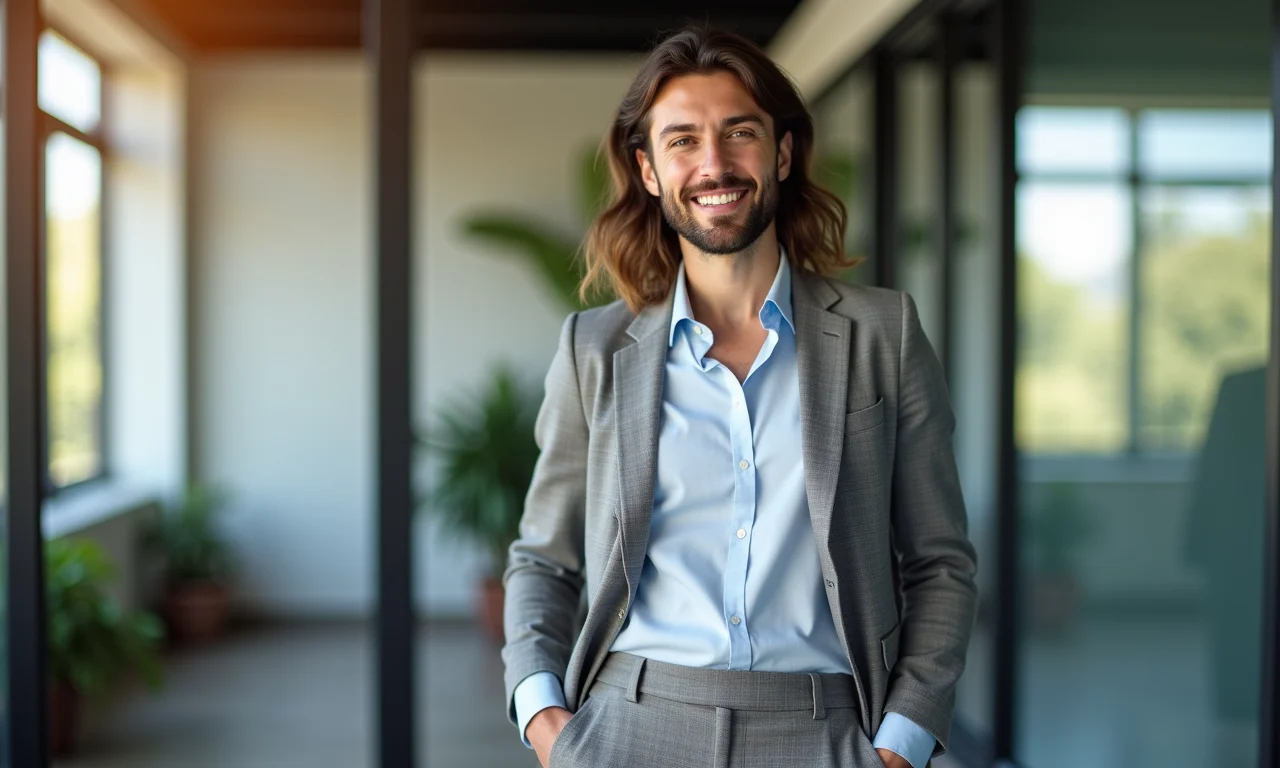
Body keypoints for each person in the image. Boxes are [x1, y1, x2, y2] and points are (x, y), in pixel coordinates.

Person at [501, 25, 978, 768]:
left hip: (828, 730)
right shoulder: (592, 349)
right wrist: (545, 720)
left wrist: (901, 744)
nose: (714, 163)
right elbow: (544, 560)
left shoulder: (884, 334)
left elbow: (939, 564)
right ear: (650, 170)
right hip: (630, 725)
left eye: (739, 132)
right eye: (682, 140)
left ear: (782, 153)